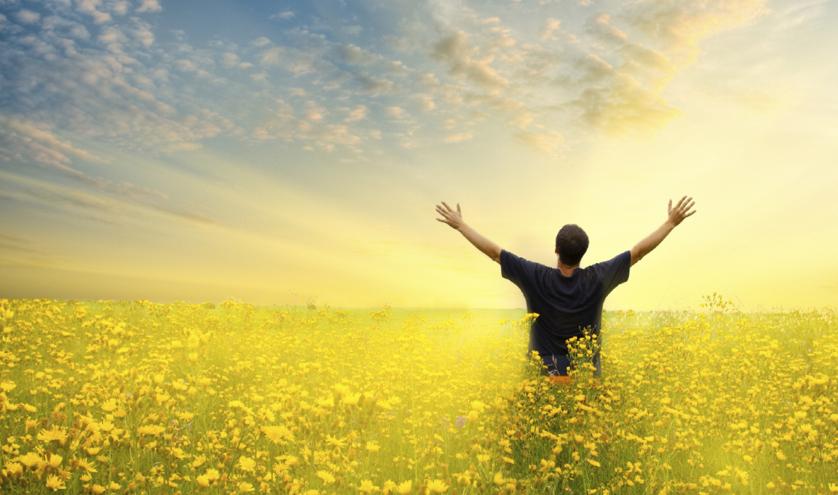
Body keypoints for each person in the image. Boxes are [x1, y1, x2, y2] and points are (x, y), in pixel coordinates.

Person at [434, 196, 696, 380]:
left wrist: (460, 225)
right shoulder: (599, 278)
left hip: (542, 377)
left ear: (556, 250)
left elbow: (494, 252)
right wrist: (670, 223)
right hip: (585, 380)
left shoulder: (534, 275)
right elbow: (638, 252)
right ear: (583, 253)